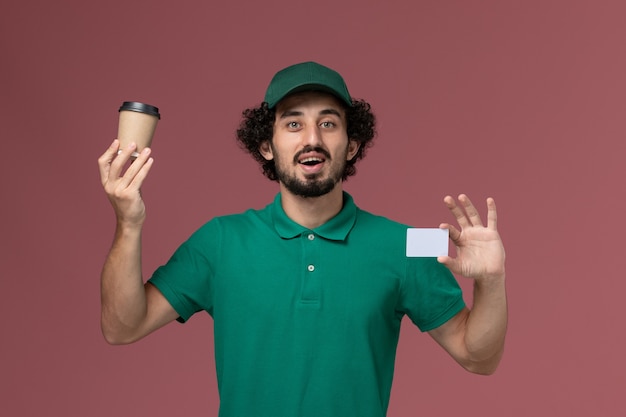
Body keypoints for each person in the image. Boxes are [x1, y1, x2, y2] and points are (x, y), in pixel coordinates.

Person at [98, 61, 507, 417]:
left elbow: (479, 359)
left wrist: (491, 281)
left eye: (328, 123)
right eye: (293, 123)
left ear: (352, 146)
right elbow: (121, 328)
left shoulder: (408, 243)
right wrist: (128, 222)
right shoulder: (219, 241)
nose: (312, 138)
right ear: (266, 146)